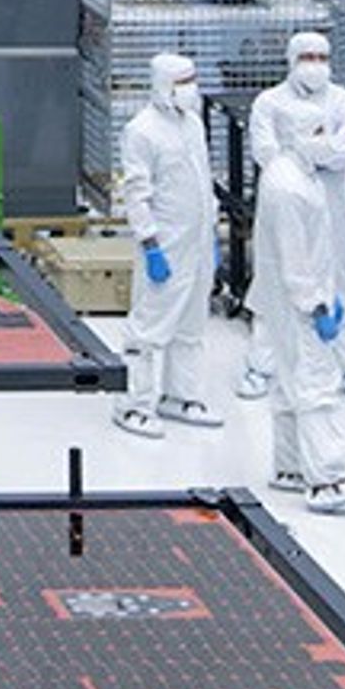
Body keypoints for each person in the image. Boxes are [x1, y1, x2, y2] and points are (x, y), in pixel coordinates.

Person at [237, 30, 345, 406]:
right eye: (307, 57)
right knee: (273, 281)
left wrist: (298, 148)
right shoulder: (268, 102)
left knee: (341, 283)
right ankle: (261, 367)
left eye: (321, 57)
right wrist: (317, 149)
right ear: (291, 59)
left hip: (332, 207)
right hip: (281, 203)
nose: (314, 65)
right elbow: (266, 153)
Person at [253, 143, 345, 511]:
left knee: (290, 381)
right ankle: (328, 479)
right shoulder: (288, 187)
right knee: (316, 383)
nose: (328, 140)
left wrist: (328, 292)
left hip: (294, 297)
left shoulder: (298, 174)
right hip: (299, 303)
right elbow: (294, 259)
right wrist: (316, 305)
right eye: (318, 131)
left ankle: (290, 468)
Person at [112, 51, 223, 435]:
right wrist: (149, 243)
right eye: (182, 82)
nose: (190, 89)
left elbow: (202, 180)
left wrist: (212, 233)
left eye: (192, 79)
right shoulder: (141, 130)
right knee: (149, 327)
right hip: (165, 243)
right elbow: (136, 192)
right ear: (162, 85)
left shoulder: (192, 123)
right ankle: (132, 404)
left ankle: (180, 396)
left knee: (191, 325)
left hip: (196, 241)